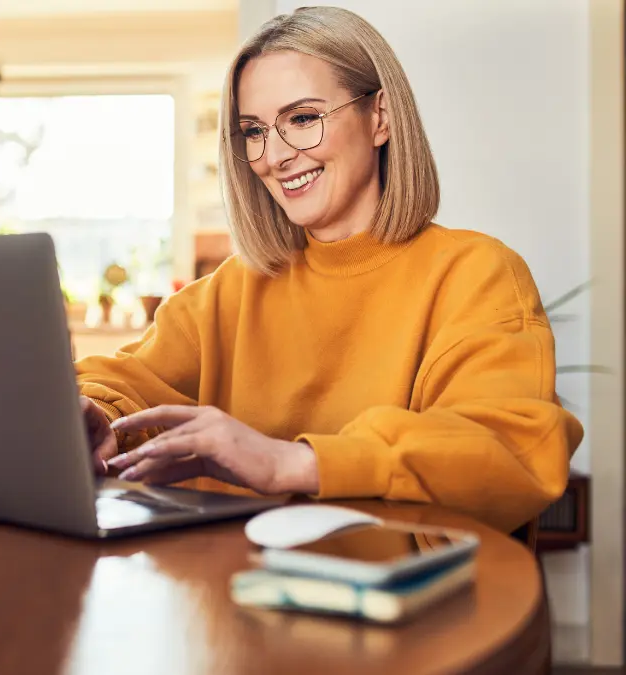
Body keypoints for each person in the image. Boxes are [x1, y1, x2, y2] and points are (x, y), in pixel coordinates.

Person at [75, 6, 583, 533]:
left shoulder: (476, 274)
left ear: (379, 117)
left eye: (301, 119)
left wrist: (294, 463)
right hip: (239, 597)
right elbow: (123, 379)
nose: (274, 156)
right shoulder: (231, 290)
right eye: (254, 131)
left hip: (401, 603)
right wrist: (95, 414)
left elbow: (510, 450)